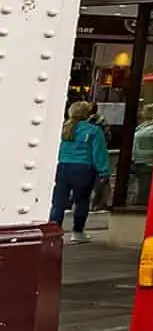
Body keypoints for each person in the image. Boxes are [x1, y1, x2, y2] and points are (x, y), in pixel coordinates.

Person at [51, 100, 113, 242]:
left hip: (62, 167)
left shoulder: (63, 129)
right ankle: (77, 233)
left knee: (58, 201)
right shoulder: (94, 130)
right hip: (84, 168)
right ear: (88, 114)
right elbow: (99, 153)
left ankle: (54, 232)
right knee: (81, 201)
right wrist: (103, 172)